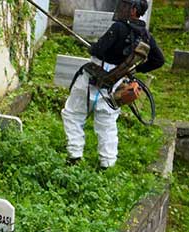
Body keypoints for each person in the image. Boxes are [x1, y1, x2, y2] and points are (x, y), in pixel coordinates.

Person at [61, 0, 164, 169]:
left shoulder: (119, 28)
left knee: (72, 114)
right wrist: (135, 70)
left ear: (134, 10)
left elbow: (97, 50)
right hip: (115, 83)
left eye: (125, 6)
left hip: (92, 79)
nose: (120, 9)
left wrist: (94, 46)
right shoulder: (145, 35)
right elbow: (158, 60)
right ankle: (107, 164)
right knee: (107, 124)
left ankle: (74, 156)